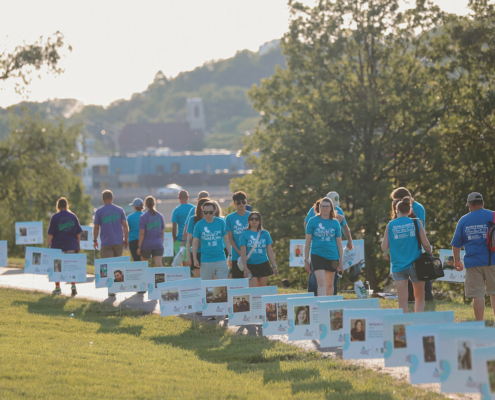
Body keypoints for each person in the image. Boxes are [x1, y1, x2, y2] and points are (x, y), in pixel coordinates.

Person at [381, 197, 432, 313]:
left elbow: (384, 248)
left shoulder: (390, 225)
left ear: (396, 211)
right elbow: (426, 244)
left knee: (402, 300)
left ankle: (404, 325)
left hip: (398, 266)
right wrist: (430, 254)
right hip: (416, 264)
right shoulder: (416, 222)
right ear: (409, 212)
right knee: (419, 297)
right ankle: (418, 323)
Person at [451, 192, 495, 322]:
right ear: (482, 203)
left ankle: (480, 324)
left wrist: (457, 261)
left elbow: (456, 244)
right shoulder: (493, 215)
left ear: (470, 205)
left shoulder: (464, 220)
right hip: (492, 261)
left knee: (478, 295)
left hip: (473, 263)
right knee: (494, 293)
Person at [390, 187, 433, 302]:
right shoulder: (400, 209)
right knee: (408, 275)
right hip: (404, 246)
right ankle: (410, 298)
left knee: (422, 272)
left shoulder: (418, 208)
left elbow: (420, 227)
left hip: (416, 245)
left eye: (397, 200)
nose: (396, 203)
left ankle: (427, 298)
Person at [304, 192, 351, 296]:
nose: (325, 208)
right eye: (323, 206)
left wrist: (341, 261)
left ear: (331, 208)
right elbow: (307, 242)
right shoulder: (312, 221)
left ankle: (329, 306)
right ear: (320, 207)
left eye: (327, 206)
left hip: (332, 256)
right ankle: (321, 307)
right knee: (321, 283)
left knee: (330, 285)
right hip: (317, 255)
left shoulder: (335, 223)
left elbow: (339, 244)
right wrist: (306, 260)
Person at [47, 197, 83, 296]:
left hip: (58, 247)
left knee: (57, 267)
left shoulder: (55, 217)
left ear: (58, 206)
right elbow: (78, 233)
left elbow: (51, 234)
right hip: (72, 245)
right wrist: (78, 245)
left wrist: (47, 245)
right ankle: (73, 286)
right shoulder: (73, 216)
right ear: (67, 206)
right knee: (71, 267)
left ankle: (58, 287)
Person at [192, 201, 231, 280]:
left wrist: (231, 254)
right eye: (205, 212)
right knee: (207, 287)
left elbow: (227, 239)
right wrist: (194, 259)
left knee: (223, 286)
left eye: (210, 212)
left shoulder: (221, 222)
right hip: (206, 260)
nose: (208, 215)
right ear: (202, 212)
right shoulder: (199, 224)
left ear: (215, 211)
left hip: (221, 259)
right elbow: (195, 242)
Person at [240, 211, 278, 287]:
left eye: (256, 219)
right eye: (252, 219)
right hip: (250, 265)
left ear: (260, 221)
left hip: (263, 263)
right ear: (249, 221)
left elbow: (270, 251)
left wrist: (274, 265)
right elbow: (243, 252)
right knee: (253, 290)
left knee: (263, 289)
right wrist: (245, 268)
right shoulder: (244, 233)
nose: (254, 221)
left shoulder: (265, 233)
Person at [93, 190, 129, 259]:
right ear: (112, 198)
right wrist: (126, 239)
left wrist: (95, 241)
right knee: (116, 266)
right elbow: (125, 225)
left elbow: (96, 227)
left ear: (103, 199)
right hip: (118, 242)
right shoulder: (120, 210)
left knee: (107, 265)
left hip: (106, 243)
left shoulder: (99, 211)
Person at [226, 191, 251, 279]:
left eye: (243, 201)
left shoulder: (252, 216)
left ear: (246, 202)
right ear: (234, 203)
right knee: (238, 283)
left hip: (251, 256)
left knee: (252, 283)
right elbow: (230, 238)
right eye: (238, 202)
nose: (241, 204)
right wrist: (239, 252)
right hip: (237, 256)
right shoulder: (229, 218)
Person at [137, 196, 165, 268]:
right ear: (154, 204)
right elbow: (162, 232)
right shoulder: (160, 216)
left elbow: (142, 233)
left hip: (147, 245)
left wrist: (139, 247)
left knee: (144, 266)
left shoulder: (143, 217)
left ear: (145, 205)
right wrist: (162, 243)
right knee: (159, 265)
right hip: (158, 244)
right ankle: (162, 279)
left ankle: (146, 279)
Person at [186, 197, 210, 277]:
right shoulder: (193, 219)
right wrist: (188, 256)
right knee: (198, 279)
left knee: (212, 280)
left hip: (210, 252)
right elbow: (189, 239)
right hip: (197, 253)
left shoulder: (213, 220)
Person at [171, 190, 195, 262]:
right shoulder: (194, 208)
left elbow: (174, 227)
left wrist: (174, 238)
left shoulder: (176, 210)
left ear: (178, 198)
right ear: (188, 197)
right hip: (193, 238)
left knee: (183, 261)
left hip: (180, 239)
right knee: (194, 260)